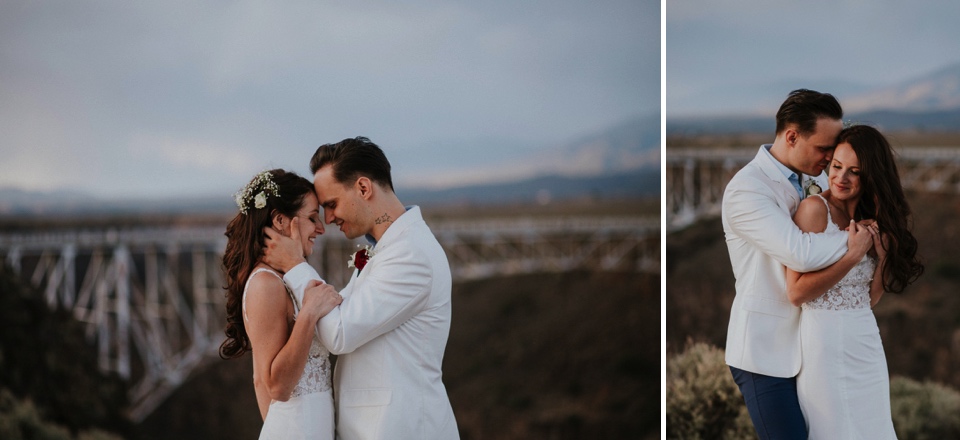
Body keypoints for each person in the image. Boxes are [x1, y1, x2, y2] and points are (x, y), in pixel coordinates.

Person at [262, 137, 460, 439]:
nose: (328, 220)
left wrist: (294, 265)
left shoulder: (411, 255)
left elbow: (339, 333)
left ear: (364, 188)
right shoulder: (387, 249)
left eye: (331, 204)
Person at [721, 89, 876, 439]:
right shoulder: (747, 190)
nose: (829, 158)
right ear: (792, 136)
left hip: (817, 351)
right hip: (765, 355)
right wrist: (858, 241)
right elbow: (800, 253)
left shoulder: (819, 178)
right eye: (823, 148)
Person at [786, 125, 923, 438]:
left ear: (870, 176)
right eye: (836, 166)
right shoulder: (813, 211)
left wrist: (883, 256)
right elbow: (795, 293)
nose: (840, 178)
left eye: (854, 171)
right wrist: (852, 256)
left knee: (873, 428)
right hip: (823, 343)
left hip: (865, 341)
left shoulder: (872, 220)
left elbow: (868, 299)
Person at [220, 169, 343, 440]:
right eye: (312, 218)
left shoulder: (281, 279)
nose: (321, 228)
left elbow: (258, 380)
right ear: (280, 220)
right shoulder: (266, 284)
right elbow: (275, 386)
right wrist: (309, 314)